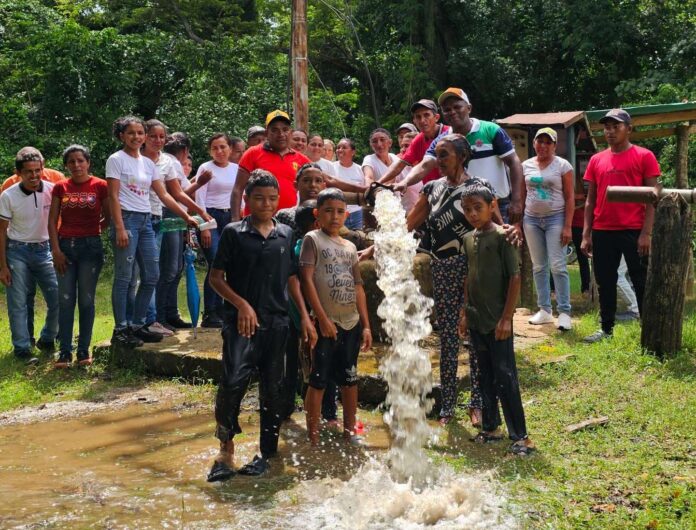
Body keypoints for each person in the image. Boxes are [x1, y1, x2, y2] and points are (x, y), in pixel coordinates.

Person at [206, 170, 316, 482]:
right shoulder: (233, 232)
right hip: (241, 324)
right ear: (247, 199)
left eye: (271, 198)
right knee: (232, 383)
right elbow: (216, 278)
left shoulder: (285, 233)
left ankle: (267, 452)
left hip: (279, 322)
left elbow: (293, 280)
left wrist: (305, 318)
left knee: (274, 388)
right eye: (258, 198)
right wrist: (241, 304)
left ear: (278, 199)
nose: (266, 204)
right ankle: (225, 449)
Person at [405, 134, 500, 426]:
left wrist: (510, 231)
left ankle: (478, 402)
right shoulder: (432, 188)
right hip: (444, 269)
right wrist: (374, 246)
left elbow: (495, 223)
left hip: (475, 268)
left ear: (461, 156)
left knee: (476, 336)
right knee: (447, 336)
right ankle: (447, 405)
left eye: (444, 154)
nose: (438, 160)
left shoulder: (478, 188)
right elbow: (408, 223)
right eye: (437, 154)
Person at [107, 116, 198, 348]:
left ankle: (138, 324)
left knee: (152, 275)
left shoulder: (148, 164)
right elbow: (113, 196)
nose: (136, 137)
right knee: (125, 277)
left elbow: (165, 194)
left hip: (147, 220)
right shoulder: (116, 160)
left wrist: (187, 216)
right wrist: (119, 227)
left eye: (140, 133)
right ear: (121, 136)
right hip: (127, 220)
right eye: (131, 133)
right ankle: (121, 329)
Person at [457, 182, 535, 456]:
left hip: (498, 321)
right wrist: (465, 311)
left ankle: (521, 436)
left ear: (492, 206)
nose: (473, 214)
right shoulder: (468, 239)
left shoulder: (504, 237)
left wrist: (506, 318)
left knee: (506, 376)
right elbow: (469, 276)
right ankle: (491, 428)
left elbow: (514, 277)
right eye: (467, 209)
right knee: (484, 375)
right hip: (477, 319)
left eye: (478, 208)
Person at [300, 188, 372, 445]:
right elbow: (306, 281)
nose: (334, 216)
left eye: (340, 211)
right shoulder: (313, 239)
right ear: (317, 214)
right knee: (318, 381)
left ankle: (350, 429)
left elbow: (358, 286)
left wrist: (366, 325)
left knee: (350, 380)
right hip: (325, 323)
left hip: (351, 322)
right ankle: (313, 436)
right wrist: (321, 318)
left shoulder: (350, 246)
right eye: (328, 211)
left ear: (347, 215)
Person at [581, 109, 659, 343]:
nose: (610, 131)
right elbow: (590, 200)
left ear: (629, 129)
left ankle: (649, 330)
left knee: (641, 279)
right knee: (605, 281)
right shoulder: (597, 159)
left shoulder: (644, 156)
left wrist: (646, 233)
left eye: (616, 126)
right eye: (607, 127)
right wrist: (586, 233)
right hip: (603, 230)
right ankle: (606, 329)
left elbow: (653, 197)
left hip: (633, 230)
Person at [394, 88, 525, 223]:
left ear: (469, 108)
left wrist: (517, 200)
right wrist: (405, 182)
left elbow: (514, 162)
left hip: (497, 204)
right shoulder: (442, 141)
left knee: (499, 241)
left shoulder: (491, 130)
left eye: (457, 107)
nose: (452, 112)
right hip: (462, 206)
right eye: (447, 109)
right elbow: (425, 164)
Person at [48, 145, 109, 367]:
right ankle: (64, 351)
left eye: (80, 161)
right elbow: (52, 221)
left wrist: (94, 232)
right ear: (66, 165)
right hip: (65, 247)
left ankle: (83, 351)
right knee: (65, 300)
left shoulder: (100, 185)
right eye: (71, 162)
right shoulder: (60, 187)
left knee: (86, 300)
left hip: (90, 249)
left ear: (88, 162)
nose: (76, 165)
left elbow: (109, 215)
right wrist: (55, 250)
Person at [0, 150, 59, 364]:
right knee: (18, 302)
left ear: (42, 169)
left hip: (44, 249)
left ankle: (47, 338)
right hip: (17, 251)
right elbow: (1, 231)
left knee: (59, 298)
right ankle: (22, 348)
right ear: (19, 173)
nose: (34, 176)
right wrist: (3, 266)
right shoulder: (8, 195)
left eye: (37, 171)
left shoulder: (53, 190)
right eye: (28, 172)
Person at [156, 131, 212, 330]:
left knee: (176, 267)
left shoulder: (167, 161)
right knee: (170, 268)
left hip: (176, 218)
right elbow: (176, 195)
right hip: (170, 216)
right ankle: (160, 316)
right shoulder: (171, 163)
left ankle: (170, 313)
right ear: (185, 150)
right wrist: (200, 186)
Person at [522, 128, 575, 331]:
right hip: (532, 219)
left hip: (556, 217)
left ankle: (564, 311)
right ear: (534, 143)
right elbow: (521, 193)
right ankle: (544, 309)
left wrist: (568, 226)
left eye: (547, 142)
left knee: (558, 265)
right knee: (538, 266)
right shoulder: (526, 165)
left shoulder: (563, 165)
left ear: (554, 145)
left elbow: (570, 196)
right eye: (539, 141)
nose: (543, 146)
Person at [194, 133, 239, 328]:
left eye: (223, 147)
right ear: (210, 150)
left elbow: (241, 195)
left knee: (229, 265)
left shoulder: (237, 169)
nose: (219, 151)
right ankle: (210, 312)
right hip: (210, 217)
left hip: (230, 216)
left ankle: (224, 309)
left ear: (230, 148)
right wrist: (204, 226)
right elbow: (199, 198)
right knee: (215, 263)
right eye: (215, 148)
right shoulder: (206, 168)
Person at [231, 110, 311, 220]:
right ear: (267, 133)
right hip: (255, 221)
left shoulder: (303, 160)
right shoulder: (252, 153)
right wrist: (235, 220)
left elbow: (321, 183)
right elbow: (238, 189)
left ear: (291, 132)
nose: (281, 134)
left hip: (288, 221)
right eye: (275, 130)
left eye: (285, 129)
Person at [378, 99, 450, 187]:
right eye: (418, 117)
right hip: (431, 191)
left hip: (453, 187)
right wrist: (378, 182)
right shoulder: (418, 140)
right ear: (414, 121)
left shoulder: (450, 133)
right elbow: (400, 164)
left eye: (426, 115)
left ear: (436, 117)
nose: (422, 120)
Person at [362, 128, 422, 213]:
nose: (379, 144)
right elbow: (369, 177)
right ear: (371, 145)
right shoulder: (369, 159)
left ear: (390, 142)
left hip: (406, 209)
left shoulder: (395, 158)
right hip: (389, 210)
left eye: (382, 140)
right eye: (374, 141)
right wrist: (373, 188)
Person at [332, 138, 365, 230]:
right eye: (338, 147)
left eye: (344, 147)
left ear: (353, 152)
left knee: (359, 240)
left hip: (357, 213)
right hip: (337, 214)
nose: (340, 150)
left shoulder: (360, 169)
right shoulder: (331, 167)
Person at [571, 189, 591, 297]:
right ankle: (553, 288)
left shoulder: (587, 184)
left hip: (580, 225)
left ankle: (586, 288)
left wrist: (578, 196)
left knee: (583, 258)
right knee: (557, 258)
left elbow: (590, 197)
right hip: (566, 222)